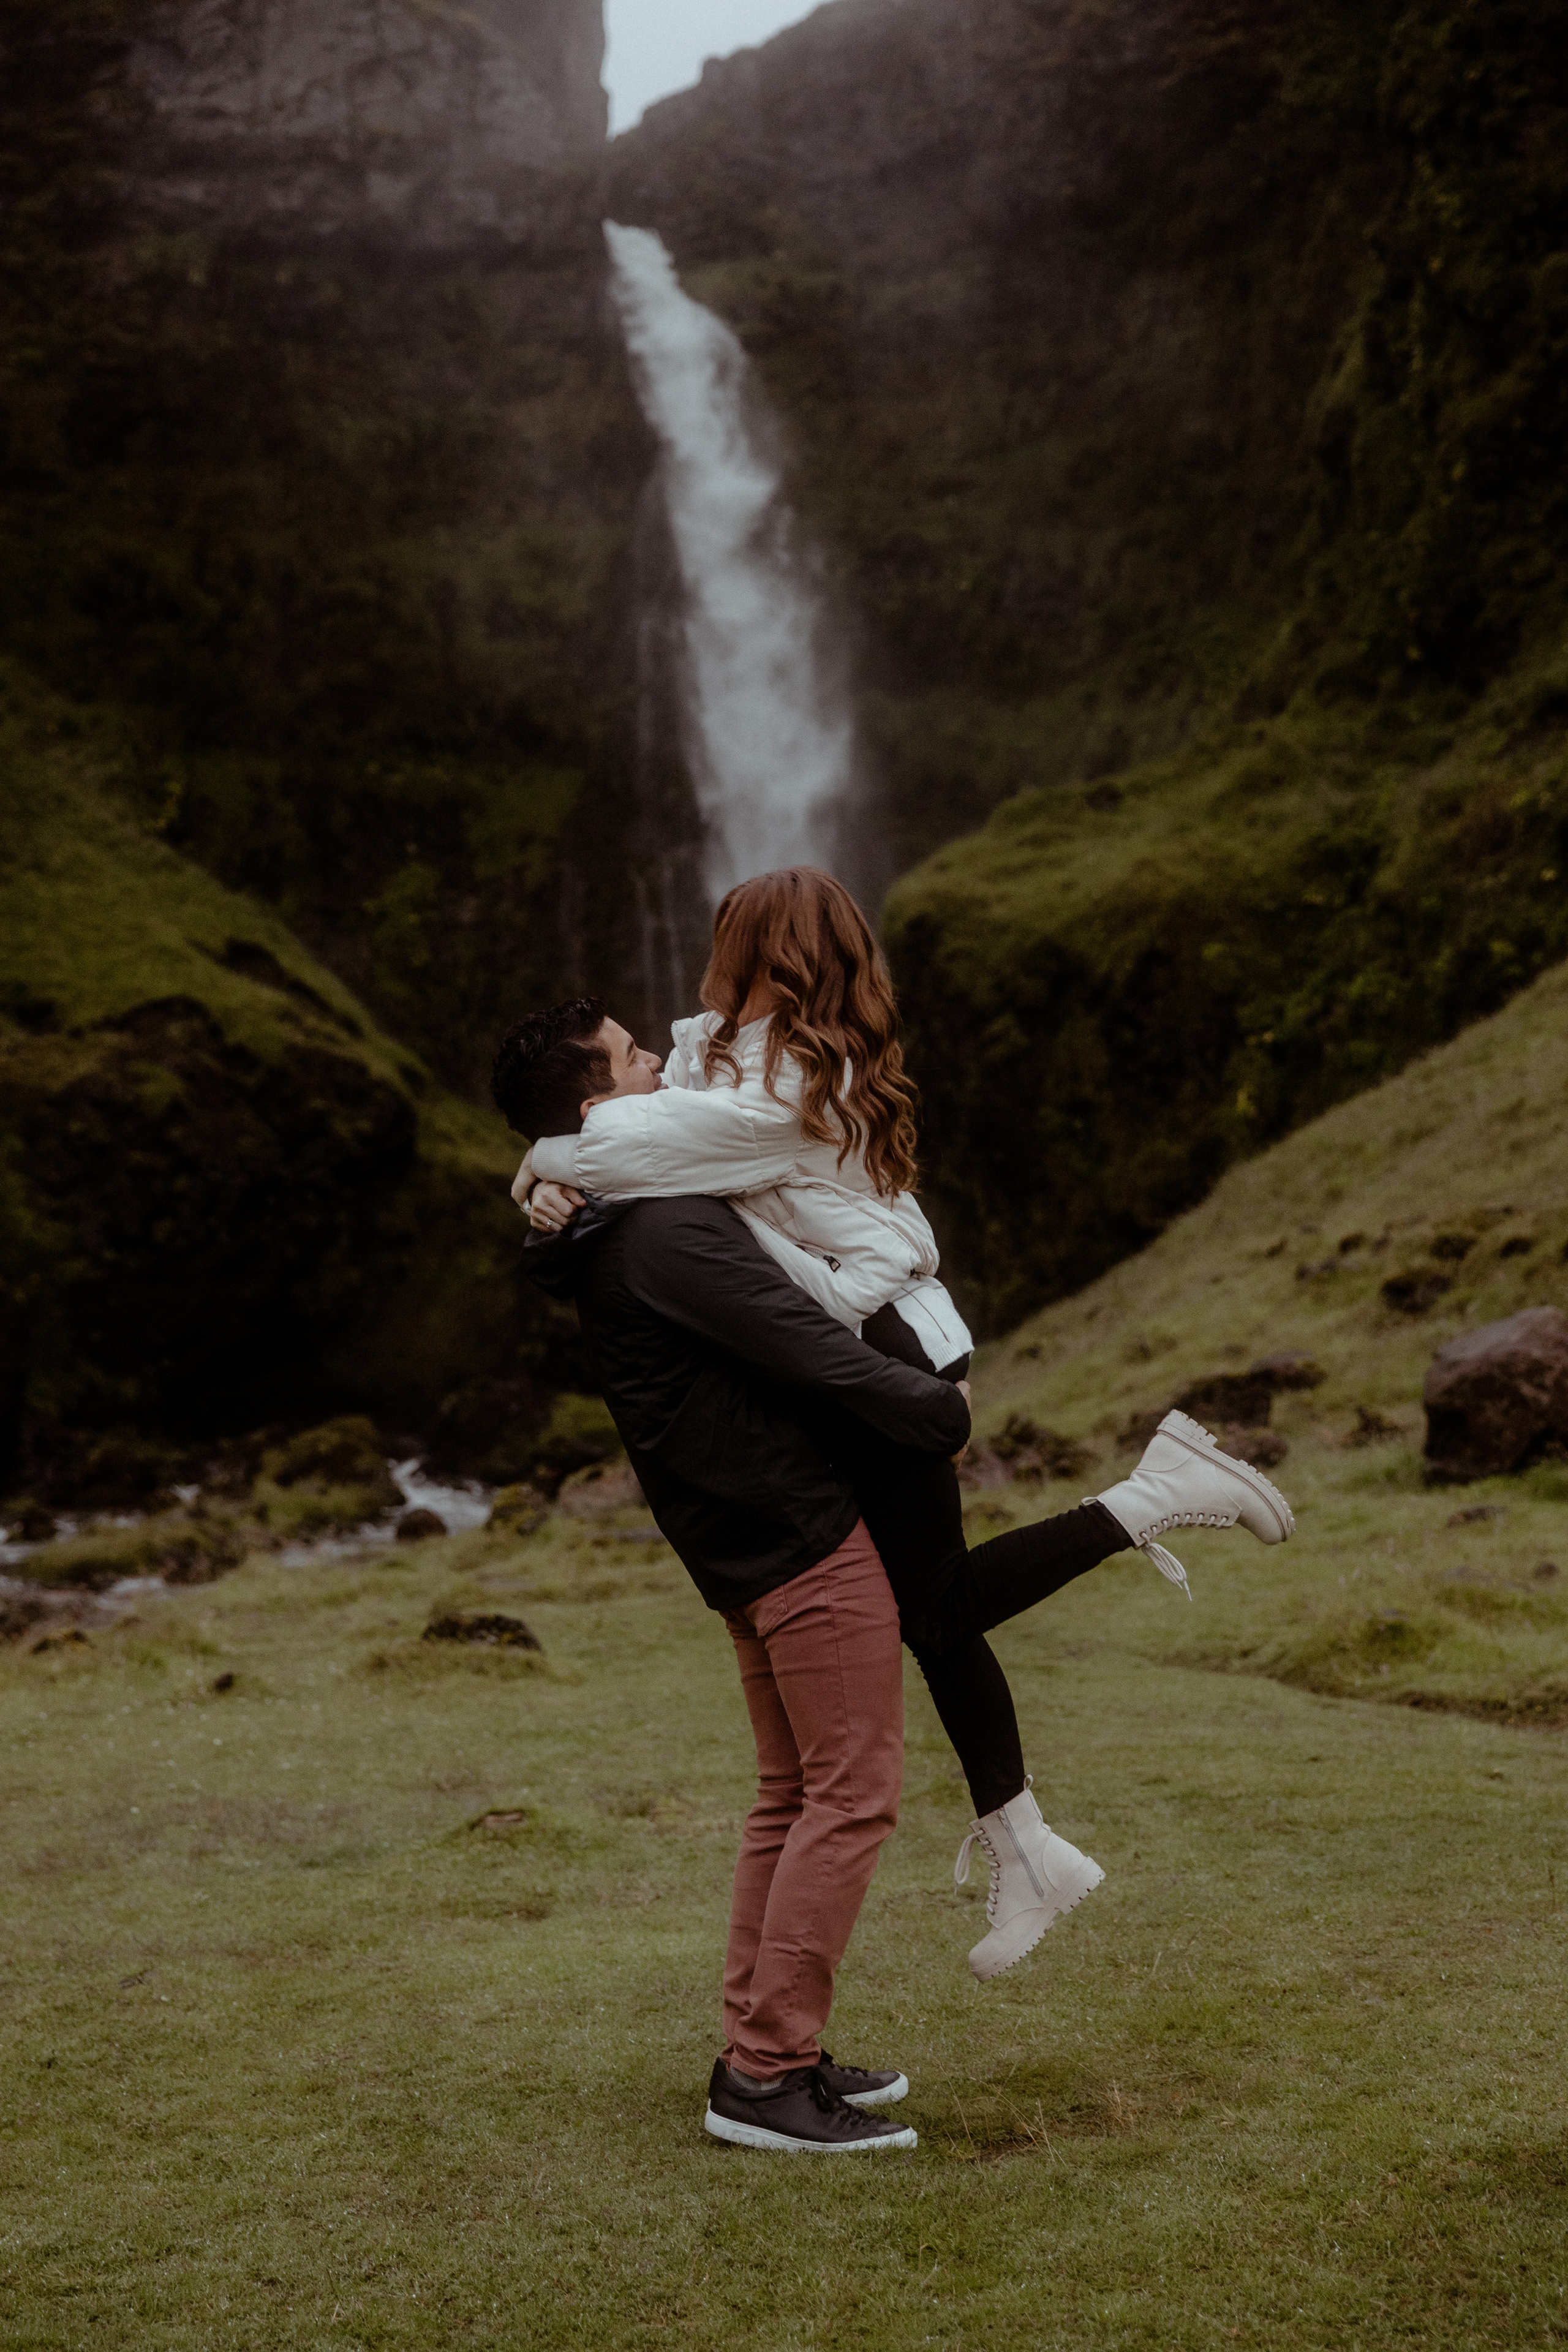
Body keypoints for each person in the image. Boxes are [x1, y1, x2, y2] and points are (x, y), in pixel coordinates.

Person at [497, 873, 1295, 1980]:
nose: (702, 960)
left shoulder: (783, 1085)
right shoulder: (710, 1057)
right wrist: (539, 1179)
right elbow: (615, 1130)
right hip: (857, 1331)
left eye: (727, 941)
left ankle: (1155, 1495)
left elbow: (621, 1149)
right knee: (932, 1610)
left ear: (769, 963)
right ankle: (1026, 1848)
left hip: (886, 1342)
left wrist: (546, 1161)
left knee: (940, 1603)